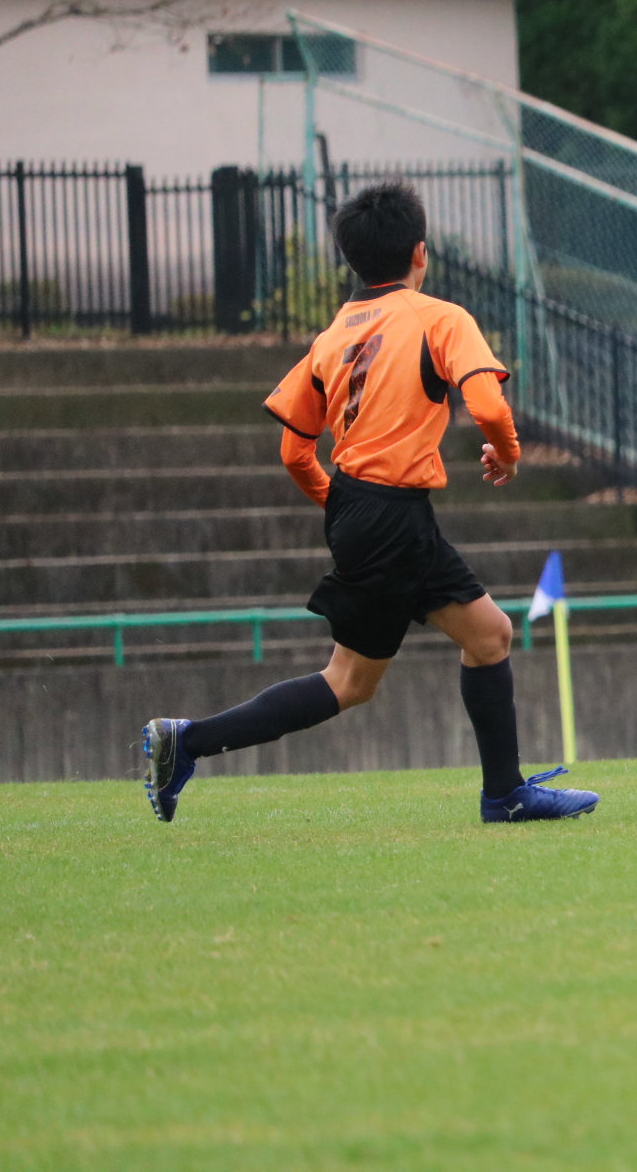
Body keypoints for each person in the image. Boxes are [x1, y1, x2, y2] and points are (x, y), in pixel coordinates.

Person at [135, 182, 600, 824]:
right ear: (420, 252)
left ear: (354, 260)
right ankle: (187, 740)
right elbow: (488, 405)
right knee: (358, 679)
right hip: (391, 513)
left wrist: (348, 507)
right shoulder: (440, 317)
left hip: (366, 509)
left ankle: (504, 793)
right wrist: (509, 456)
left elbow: (295, 455)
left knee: (480, 638)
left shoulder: (332, 337)